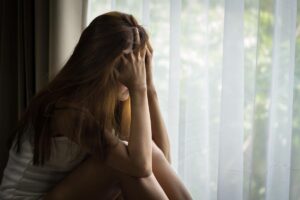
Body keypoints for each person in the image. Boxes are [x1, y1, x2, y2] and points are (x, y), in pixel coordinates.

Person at [0, 11, 192, 200]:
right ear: (102, 66)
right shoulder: (65, 112)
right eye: (129, 67)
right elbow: (140, 166)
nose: (134, 75)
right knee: (120, 164)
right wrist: (139, 89)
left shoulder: (111, 107)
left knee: (140, 152)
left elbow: (161, 162)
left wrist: (149, 88)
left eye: (138, 67)